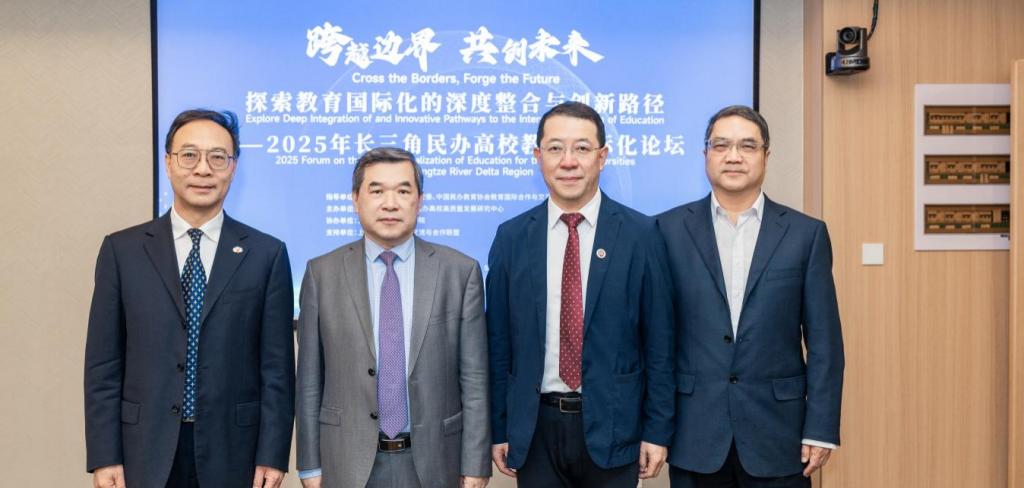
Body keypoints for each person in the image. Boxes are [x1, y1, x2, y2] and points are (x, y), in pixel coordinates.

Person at [84, 109, 295, 488]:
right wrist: (105, 455)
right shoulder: (122, 251)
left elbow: (276, 370)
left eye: (218, 157)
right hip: (143, 449)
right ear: (168, 163)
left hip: (234, 451)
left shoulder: (266, 254)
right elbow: (103, 365)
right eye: (189, 155)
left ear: (233, 167)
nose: (203, 169)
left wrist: (272, 455)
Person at [487, 101, 674, 487]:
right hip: (536, 429)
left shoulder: (641, 235)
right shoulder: (512, 237)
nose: (568, 161)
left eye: (582, 148)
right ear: (538, 156)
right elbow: (499, 343)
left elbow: (659, 342)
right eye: (555, 148)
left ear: (602, 157)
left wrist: (657, 430)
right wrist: (499, 428)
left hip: (616, 426)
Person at [656, 105, 845, 487]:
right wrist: (654, 428)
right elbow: (656, 341)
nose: (733, 156)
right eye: (721, 145)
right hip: (695, 433)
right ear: (705, 154)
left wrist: (821, 427)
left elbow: (825, 342)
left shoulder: (805, 235)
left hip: (779, 435)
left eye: (747, 146)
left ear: (766, 155)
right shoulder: (666, 230)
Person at [295, 147, 491, 488]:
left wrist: (475, 463)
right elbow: (310, 380)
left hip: (434, 463)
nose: (390, 204)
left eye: (403, 191)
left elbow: (474, 380)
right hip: (348, 462)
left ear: (420, 201)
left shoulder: (460, 272)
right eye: (376, 191)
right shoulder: (321, 274)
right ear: (355, 200)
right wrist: (309, 466)